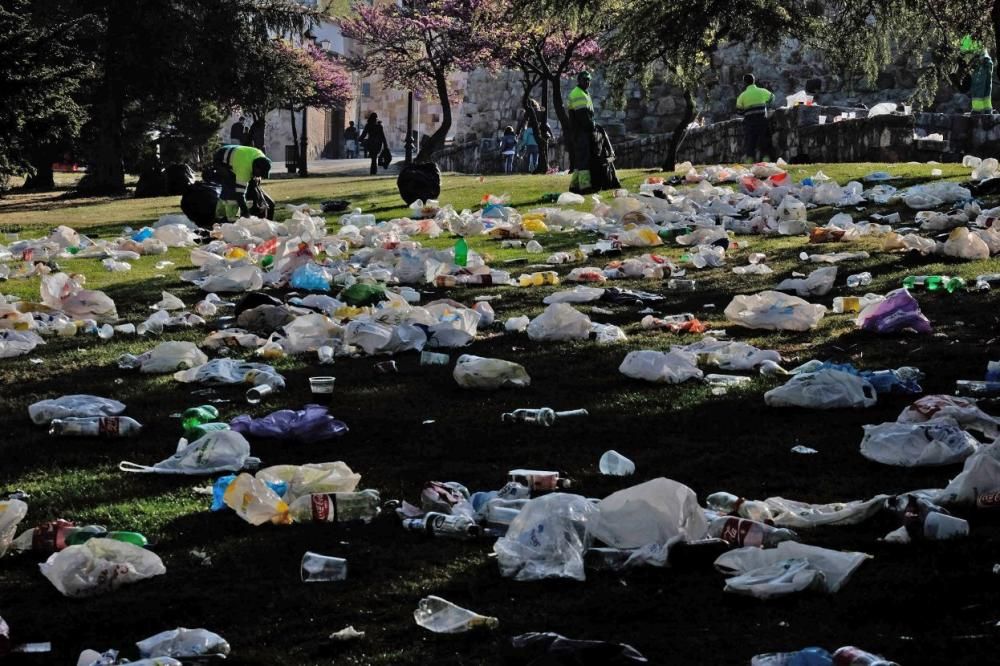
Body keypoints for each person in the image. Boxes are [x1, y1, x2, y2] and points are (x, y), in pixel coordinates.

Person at [212, 144, 274, 220]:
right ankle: (230, 218)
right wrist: (246, 212)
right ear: (255, 168)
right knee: (231, 189)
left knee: (231, 189)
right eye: (259, 174)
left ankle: (220, 216)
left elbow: (256, 181)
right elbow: (239, 195)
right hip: (220, 158)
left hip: (235, 152)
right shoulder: (244, 169)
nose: (259, 176)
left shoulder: (261, 157)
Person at [736, 74, 774, 162]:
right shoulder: (762, 91)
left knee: (750, 140)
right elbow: (772, 98)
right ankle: (766, 159)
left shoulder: (742, 96)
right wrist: (766, 104)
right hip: (762, 119)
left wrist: (746, 111)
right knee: (764, 139)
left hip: (749, 121)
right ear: (754, 81)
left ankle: (749, 159)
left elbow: (739, 111)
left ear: (745, 83)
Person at [567, 71, 595, 192]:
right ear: (579, 80)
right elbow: (583, 116)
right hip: (581, 131)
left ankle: (574, 185)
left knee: (580, 159)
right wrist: (592, 125)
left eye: (589, 80)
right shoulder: (579, 94)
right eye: (585, 80)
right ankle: (585, 186)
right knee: (584, 158)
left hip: (578, 131)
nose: (587, 82)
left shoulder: (583, 93)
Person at [963, 36, 995, 113]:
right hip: (987, 61)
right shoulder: (978, 31)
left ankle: (977, 110)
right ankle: (987, 109)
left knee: (978, 87)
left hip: (979, 62)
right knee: (987, 87)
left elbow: (965, 53)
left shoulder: (967, 36)